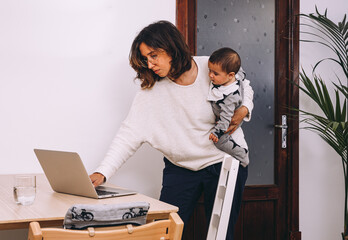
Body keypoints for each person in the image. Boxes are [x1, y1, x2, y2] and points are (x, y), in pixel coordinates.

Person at [89, 20, 253, 239]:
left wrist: (244, 108)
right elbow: (128, 134)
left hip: (223, 162)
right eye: (145, 59)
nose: (149, 64)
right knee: (166, 233)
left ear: (172, 48)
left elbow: (244, 84)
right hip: (181, 168)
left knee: (222, 235)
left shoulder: (210, 67)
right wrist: (103, 171)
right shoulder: (150, 91)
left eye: (153, 56)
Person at [208, 47, 249, 167]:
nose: (210, 75)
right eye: (209, 70)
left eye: (215, 73)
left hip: (230, 119)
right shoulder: (235, 76)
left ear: (231, 75)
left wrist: (217, 133)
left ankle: (242, 155)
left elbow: (226, 118)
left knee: (220, 143)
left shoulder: (230, 97)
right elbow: (241, 73)